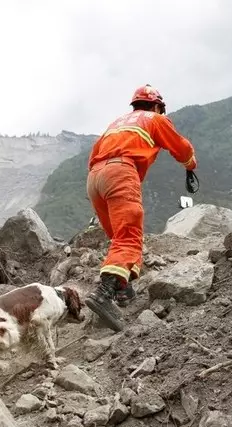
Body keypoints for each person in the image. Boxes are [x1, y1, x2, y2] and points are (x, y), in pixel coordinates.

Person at [84, 84, 198, 331]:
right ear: (157, 105)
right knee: (128, 237)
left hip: (94, 178)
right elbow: (181, 147)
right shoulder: (155, 119)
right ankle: (103, 293)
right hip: (121, 172)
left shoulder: (116, 123)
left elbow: (94, 154)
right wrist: (190, 165)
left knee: (118, 236)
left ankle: (123, 290)